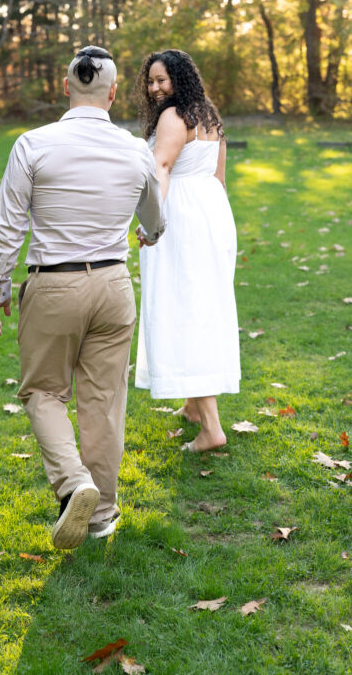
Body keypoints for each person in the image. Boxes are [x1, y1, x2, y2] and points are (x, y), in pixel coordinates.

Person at [0, 46, 166, 549]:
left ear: (65, 88)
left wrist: (0, 287)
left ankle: (74, 483)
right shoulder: (135, 149)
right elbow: (155, 220)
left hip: (53, 285)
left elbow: (8, 226)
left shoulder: (33, 144)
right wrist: (148, 232)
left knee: (43, 392)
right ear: (112, 94)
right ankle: (102, 514)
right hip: (113, 286)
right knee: (104, 402)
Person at [133, 49, 240, 452]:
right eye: (151, 80)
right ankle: (194, 407)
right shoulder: (208, 114)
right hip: (211, 216)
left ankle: (211, 429)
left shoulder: (173, 117)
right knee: (198, 305)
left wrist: (153, 224)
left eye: (162, 79)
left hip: (181, 219)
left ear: (179, 77)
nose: (156, 87)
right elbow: (219, 178)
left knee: (185, 309)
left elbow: (161, 168)